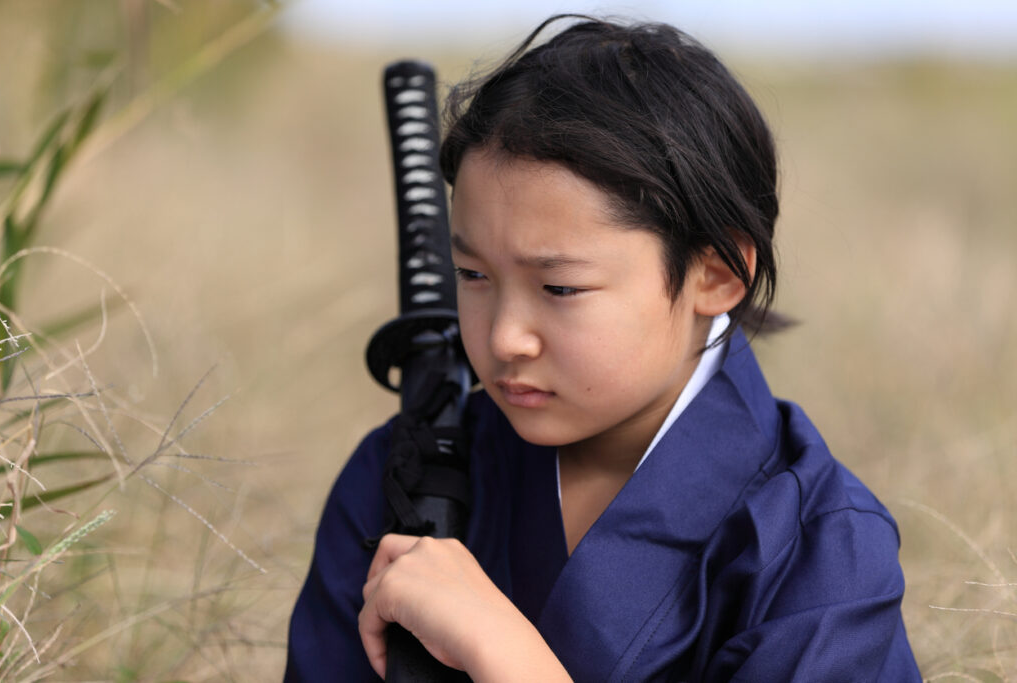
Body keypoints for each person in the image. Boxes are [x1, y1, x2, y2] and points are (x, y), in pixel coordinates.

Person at [286, 15, 921, 682]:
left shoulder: (824, 550)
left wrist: (509, 657)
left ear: (717, 273)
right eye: (472, 275)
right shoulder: (400, 478)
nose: (504, 337)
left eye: (559, 286)